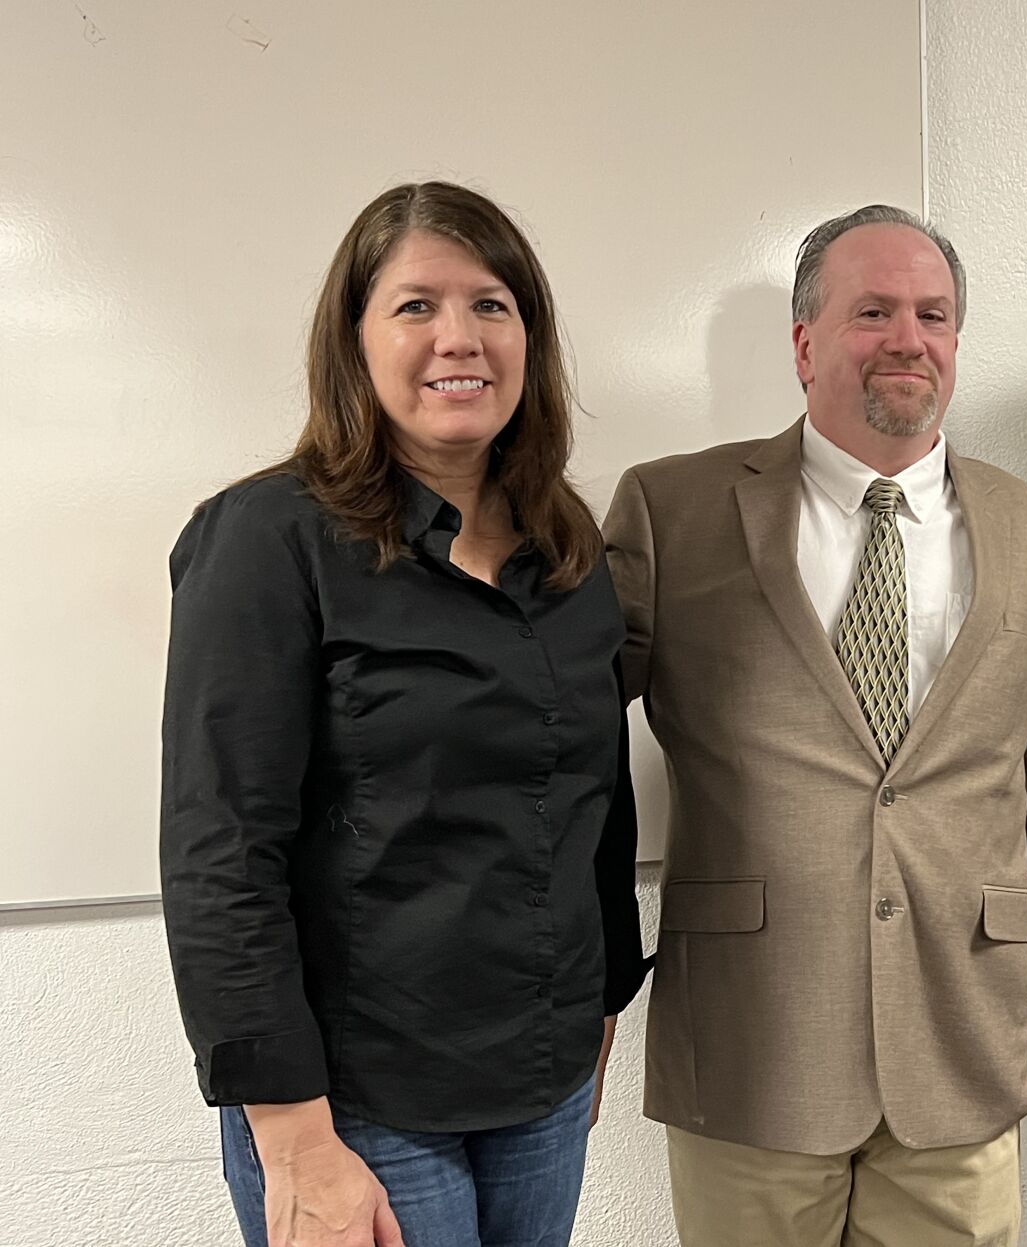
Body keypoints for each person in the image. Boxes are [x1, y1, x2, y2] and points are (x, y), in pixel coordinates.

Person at [603, 205, 1027, 1246]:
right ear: (804, 342)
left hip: (965, 1036)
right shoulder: (673, 510)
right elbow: (552, 754)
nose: (907, 338)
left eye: (933, 314)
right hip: (752, 1037)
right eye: (872, 310)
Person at [161, 181, 649, 1247]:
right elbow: (221, 852)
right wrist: (292, 1137)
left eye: (491, 304)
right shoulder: (265, 540)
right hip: (356, 1098)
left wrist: (603, 1001)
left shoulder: (567, 546)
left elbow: (594, 799)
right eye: (416, 305)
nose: (457, 337)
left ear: (530, 336)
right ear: (355, 340)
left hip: (542, 1079)